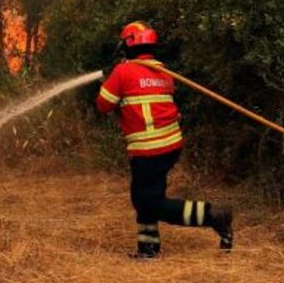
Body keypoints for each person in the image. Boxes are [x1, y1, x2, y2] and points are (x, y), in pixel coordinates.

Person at [95, 21, 233, 258]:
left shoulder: (123, 71)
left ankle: (214, 215)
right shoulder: (163, 72)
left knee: (150, 202)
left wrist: (108, 80)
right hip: (169, 146)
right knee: (144, 196)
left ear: (128, 44)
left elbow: (103, 105)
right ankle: (148, 247)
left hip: (149, 149)